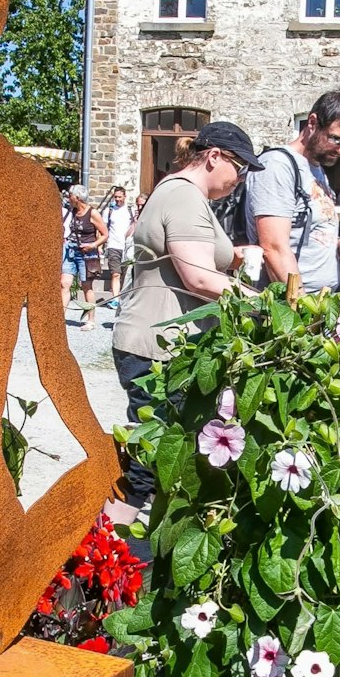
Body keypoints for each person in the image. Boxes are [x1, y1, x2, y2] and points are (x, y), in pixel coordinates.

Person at [110, 122, 254, 511]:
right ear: (213, 157)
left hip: (163, 348)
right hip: (160, 352)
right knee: (145, 471)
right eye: (239, 169)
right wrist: (265, 302)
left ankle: (112, 558)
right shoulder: (184, 196)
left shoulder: (178, 193)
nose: (239, 180)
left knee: (154, 464)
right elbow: (198, 277)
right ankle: (97, 564)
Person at [247, 89, 340, 292]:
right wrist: (300, 308)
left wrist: (336, 246)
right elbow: (274, 248)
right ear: (312, 123)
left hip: (318, 301)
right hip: (290, 305)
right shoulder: (277, 165)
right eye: (336, 139)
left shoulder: (316, 169)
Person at [61, 184, 108, 320]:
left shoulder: (92, 213)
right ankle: (60, 319)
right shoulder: (72, 211)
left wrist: (92, 245)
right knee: (64, 283)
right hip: (71, 250)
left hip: (86, 254)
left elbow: (105, 234)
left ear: (77, 198)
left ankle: (91, 320)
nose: (69, 198)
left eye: (71, 196)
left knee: (86, 286)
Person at [101, 184, 134, 308]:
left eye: (120, 197)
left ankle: (124, 298)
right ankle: (116, 298)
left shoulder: (130, 210)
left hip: (126, 246)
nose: (118, 199)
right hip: (113, 245)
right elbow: (103, 228)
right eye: (116, 197)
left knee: (126, 273)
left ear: (125, 196)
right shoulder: (109, 211)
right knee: (115, 273)